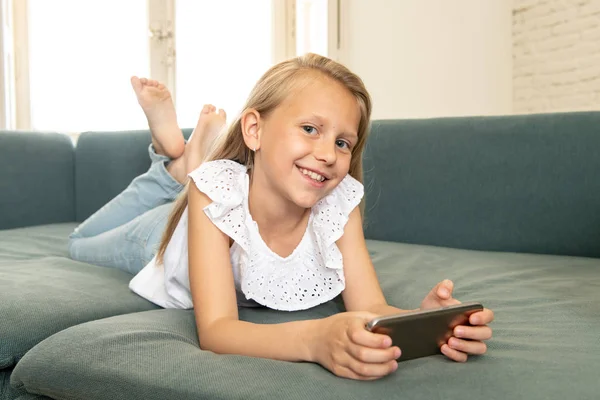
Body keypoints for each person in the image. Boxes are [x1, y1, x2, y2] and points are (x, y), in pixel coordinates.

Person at [68, 53, 494, 381]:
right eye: (310, 129)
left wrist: (428, 323)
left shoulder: (338, 202)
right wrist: (313, 339)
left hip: (210, 210)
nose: (328, 154)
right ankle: (172, 168)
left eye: (344, 142)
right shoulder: (213, 193)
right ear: (254, 131)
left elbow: (370, 306)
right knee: (79, 242)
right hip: (161, 235)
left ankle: (183, 163)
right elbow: (217, 329)